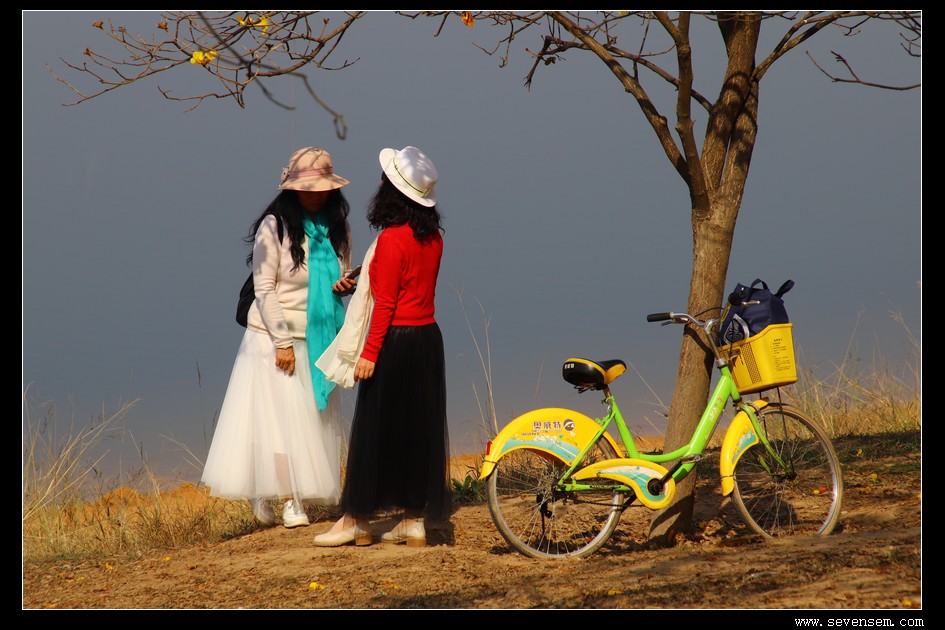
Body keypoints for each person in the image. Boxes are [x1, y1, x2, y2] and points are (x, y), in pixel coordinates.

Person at [201, 147, 358, 529]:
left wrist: (344, 285)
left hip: (318, 336)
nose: (316, 195)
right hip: (272, 338)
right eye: (308, 188)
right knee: (280, 423)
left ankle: (275, 490)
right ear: (292, 189)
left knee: (310, 420)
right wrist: (282, 343)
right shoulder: (274, 228)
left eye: (322, 188)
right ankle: (290, 500)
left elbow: (337, 277)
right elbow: (264, 288)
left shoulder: (338, 227)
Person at [313, 145, 450, 547]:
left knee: (374, 431)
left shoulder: (390, 239)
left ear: (390, 192)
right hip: (427, 339)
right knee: (417, 430)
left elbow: (387, 304)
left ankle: (356, 519)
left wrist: (369, 354)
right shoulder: (434, 238)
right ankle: (413, 520)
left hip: (394, 341)